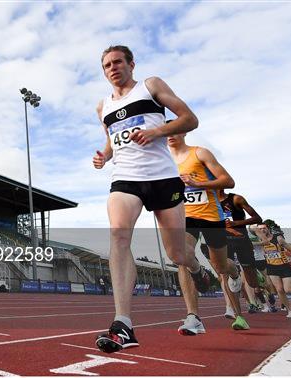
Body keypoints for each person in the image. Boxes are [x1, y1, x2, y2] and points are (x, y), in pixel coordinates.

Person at [92, 45, 210, 353]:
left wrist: (158, 132)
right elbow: (111, 139)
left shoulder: (151, 86)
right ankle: (123, 324)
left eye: (118, 62)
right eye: (107, 65)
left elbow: (190, 119)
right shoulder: (102, 106)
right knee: (118, 235)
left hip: (162, 179)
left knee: (177, 255)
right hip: (125, 179)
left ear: (131, 64)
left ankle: (197, 270)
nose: (112, 68)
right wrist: (104, 156)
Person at [168, 133, 248, 333]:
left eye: (174, 131)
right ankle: (193, 317)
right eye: (165, 133)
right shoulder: (163, 161)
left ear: (183, 132)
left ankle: (234, 272)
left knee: (220, 266)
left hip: (211, 217)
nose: (169, 136)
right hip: (186, 217)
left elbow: (228, 181)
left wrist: (198, 184)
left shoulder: (199, 153)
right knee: (181, 257)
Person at [219, 190, 264, 314]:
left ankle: (254, 275)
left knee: (252, 282)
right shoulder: (208, 203)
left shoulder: (236, 199)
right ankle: (231, 309)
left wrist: (236, 223)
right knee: (224, 273)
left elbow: (258, 218)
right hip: (223, 242)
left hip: (241, 240)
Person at [252, 223, 291, 317]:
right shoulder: (260, 241)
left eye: (264, 228)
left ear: (268, 229)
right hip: (271, 267)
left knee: (288, 290)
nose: (262, 230)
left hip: (284, 266)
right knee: (279, 289)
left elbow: (290, 249)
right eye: (260, 229)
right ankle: (290, 310)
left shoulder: (278, 238)